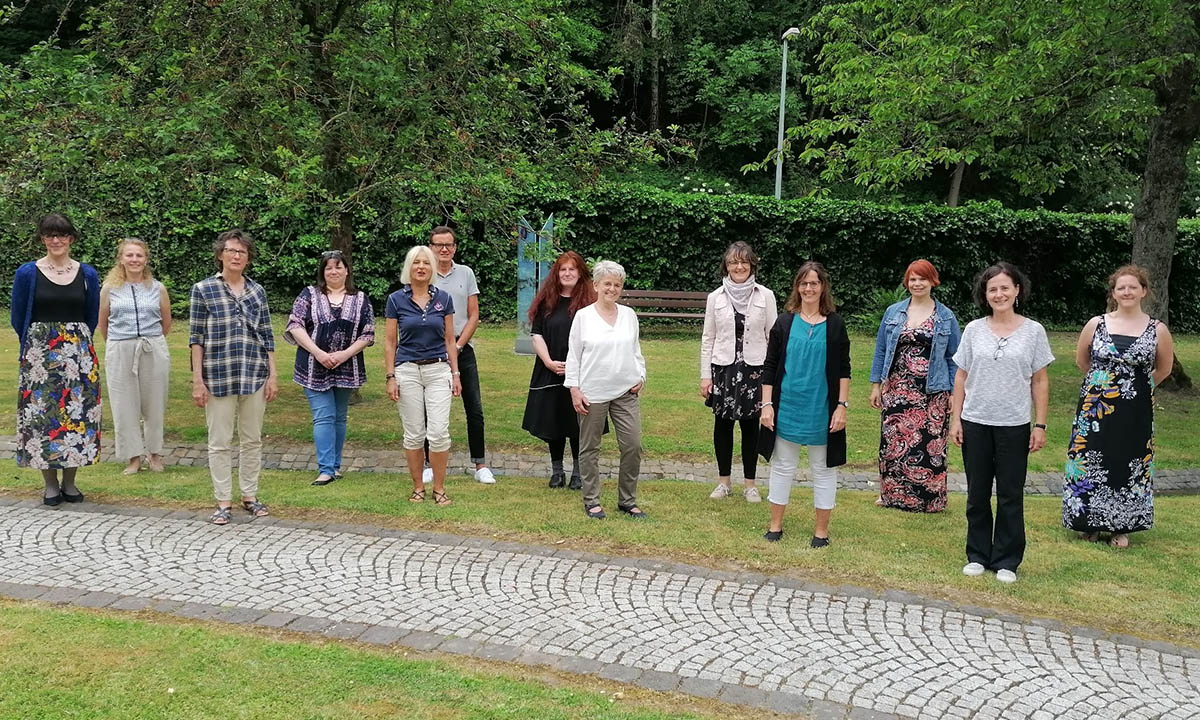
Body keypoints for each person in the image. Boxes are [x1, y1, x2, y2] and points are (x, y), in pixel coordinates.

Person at [950, 262, 1053, 583]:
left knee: (1010, 494)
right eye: (992, 289)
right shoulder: (973, 330)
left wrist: (1040, 424)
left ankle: (1007, 559)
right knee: (977, 493)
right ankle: (978, 554)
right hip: (975, 421)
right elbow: (961, 376)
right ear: (985, 294)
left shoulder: (1033, 331)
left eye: (1005, 287)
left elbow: (1040, 380)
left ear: (1017, 290)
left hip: (1014, 425)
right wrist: (956, 419)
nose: (999, 294)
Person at [1062, 264, 1174, 548]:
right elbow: (1082, 362)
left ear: (1143, 292)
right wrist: (1104, 385)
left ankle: (1121, 527)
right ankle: (1088, 523)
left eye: (1132, 287)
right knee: (1091, 460)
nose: (1126, 292)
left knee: (1128, 461)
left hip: (1134, 410)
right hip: (1094, 409)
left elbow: (1163, 369)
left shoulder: (1157, 329)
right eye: (1120, 287)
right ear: (1113, 292)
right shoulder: (1096, 324)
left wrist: (1136, 389)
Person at [757, 261, 851, 547]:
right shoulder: (785, 323)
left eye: (814, 283)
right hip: (788, 408)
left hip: (821, 410)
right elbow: (770, 366)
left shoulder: (835, 325)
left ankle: (821, 532)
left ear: (823, 287)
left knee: (823, 471)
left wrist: (841, 406)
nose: (809, 288)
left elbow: (844, 368)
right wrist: (766, 405)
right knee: (783, 466)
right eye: (804, 283)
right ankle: (775, 526)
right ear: (797, 288)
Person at [10, 213, 102, 505]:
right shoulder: (27, 273)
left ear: (71, 239)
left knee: (77, 416)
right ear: (42, 239)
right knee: (43, 418)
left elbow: (91, 314)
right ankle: (50, 484)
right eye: (50, 235)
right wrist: (37, 345)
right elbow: (17, 315)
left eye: (62, 235)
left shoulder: (87, 273)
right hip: (40, 355)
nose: (56, 240)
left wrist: (77, 343)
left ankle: (71, 482)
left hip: (78, 356)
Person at [189, 229, 278, 525]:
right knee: (220, 441)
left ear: (248, 258)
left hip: (254, 373)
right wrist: (198, 381)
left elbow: (267, 335)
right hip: (217, 375)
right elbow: (196, 338)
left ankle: (250, 496)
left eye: (242, 252)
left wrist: (273, 375)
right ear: (220, 254)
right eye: (231, 251)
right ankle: (223, 501)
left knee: (252, 439)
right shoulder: (203, 289)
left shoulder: (257, 291)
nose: (236, 256)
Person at [868, 259, 961, 513]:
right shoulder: (893, 312)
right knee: (893, 443)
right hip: (897, 389)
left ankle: (930, 500)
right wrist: (876, 384)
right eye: (913, 279)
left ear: (933, 281)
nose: (917, 283)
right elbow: (881, 350)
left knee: (930, 445)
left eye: (922, 278)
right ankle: (891, 496)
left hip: (933, 391)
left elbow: (956, 358)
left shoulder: (945, 316)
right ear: (907, 282)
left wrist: (954, 392)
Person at [284, 250, 375, 486]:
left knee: (339, 418)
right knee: (323, 416)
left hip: (347, 365)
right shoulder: (310, 295)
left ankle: (335, 466)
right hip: (313, 365)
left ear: (346, 270)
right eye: (328, 268)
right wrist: (319, 353)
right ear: (323, 272)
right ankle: (325, 469)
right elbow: (295, 324)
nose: (334, 271)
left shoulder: (361, 298)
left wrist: (344, 354)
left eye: (338, 267)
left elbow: (368, 332)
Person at [565, 260, 647, 519]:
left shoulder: (628, 316)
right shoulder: (583, 316)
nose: (612, 289)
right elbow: (574, 356)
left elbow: (636, 351)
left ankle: (627, 500)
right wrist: (574, 389)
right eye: (607, 284)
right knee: (590, 448)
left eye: (617, 284)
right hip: (593, 392)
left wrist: (641, 375)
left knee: (633, 445)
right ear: (596, 285)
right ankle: (591, 500)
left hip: (625, 391)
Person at [384, 245, 462, 506]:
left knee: (439, 433)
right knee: (414, 433)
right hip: (407, 370)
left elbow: (450, 339)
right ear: (409, 267)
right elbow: (389, 341)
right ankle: (418, 487)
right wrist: (390, 376)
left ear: (432, 268)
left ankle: (439, 488)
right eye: (416, 262)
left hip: (439, 369)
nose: (421, 267)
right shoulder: (396, 300)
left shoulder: (444, 299)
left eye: (426, 263)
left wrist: (456, 372)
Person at [700, 241, 776, 502]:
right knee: (722, 425)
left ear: (752, 263)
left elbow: (773, 338)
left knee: (750, 427)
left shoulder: (765, 296)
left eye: (744, 261)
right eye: (734, 262)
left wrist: (773, 377)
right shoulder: (715, 297)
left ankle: (750, 484)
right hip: (724, 369)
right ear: (726, 265)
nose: (739, 266)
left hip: (755, 370)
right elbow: (708, 338)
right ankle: (723, 483)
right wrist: (705, 375)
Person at [521, 251, 597, 489]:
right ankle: (556, 472)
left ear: (580, 273)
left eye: (572, 269)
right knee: (553, 421)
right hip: (550, 368)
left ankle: (577, 472)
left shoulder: (590, 303)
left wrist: (579, 365)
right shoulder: (546, 301)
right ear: (557, 273)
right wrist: (548, 361)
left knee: (576, 422)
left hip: (582, 371)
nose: (567, 273)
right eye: (563, 269)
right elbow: (536, 334)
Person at [97, 238, 172, 475]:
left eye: (139, 255)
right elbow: (103, 323)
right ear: (121, 259)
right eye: (129, 255)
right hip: (120, 347)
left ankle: (155, 454)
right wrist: (122, 344)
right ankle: (133, 457)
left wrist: (150, 340)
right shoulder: (110, 289)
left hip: (152, 347)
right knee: (124, 405)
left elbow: (166, 322)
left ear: (146, 259)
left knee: (154, 404)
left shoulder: (157, 288)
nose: (134, 260)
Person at [428, 226, 495, 484]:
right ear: (431, 247)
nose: (444, 249)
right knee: (430, 409)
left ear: (455, 247)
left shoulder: (465, 273)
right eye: (438, 245)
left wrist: (457, 347)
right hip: (432, 349)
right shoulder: (424, 272)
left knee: (474, 408)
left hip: (462, 347)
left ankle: (480, 465)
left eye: (448, 245)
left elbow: (474, 314)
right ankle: (428, 464)